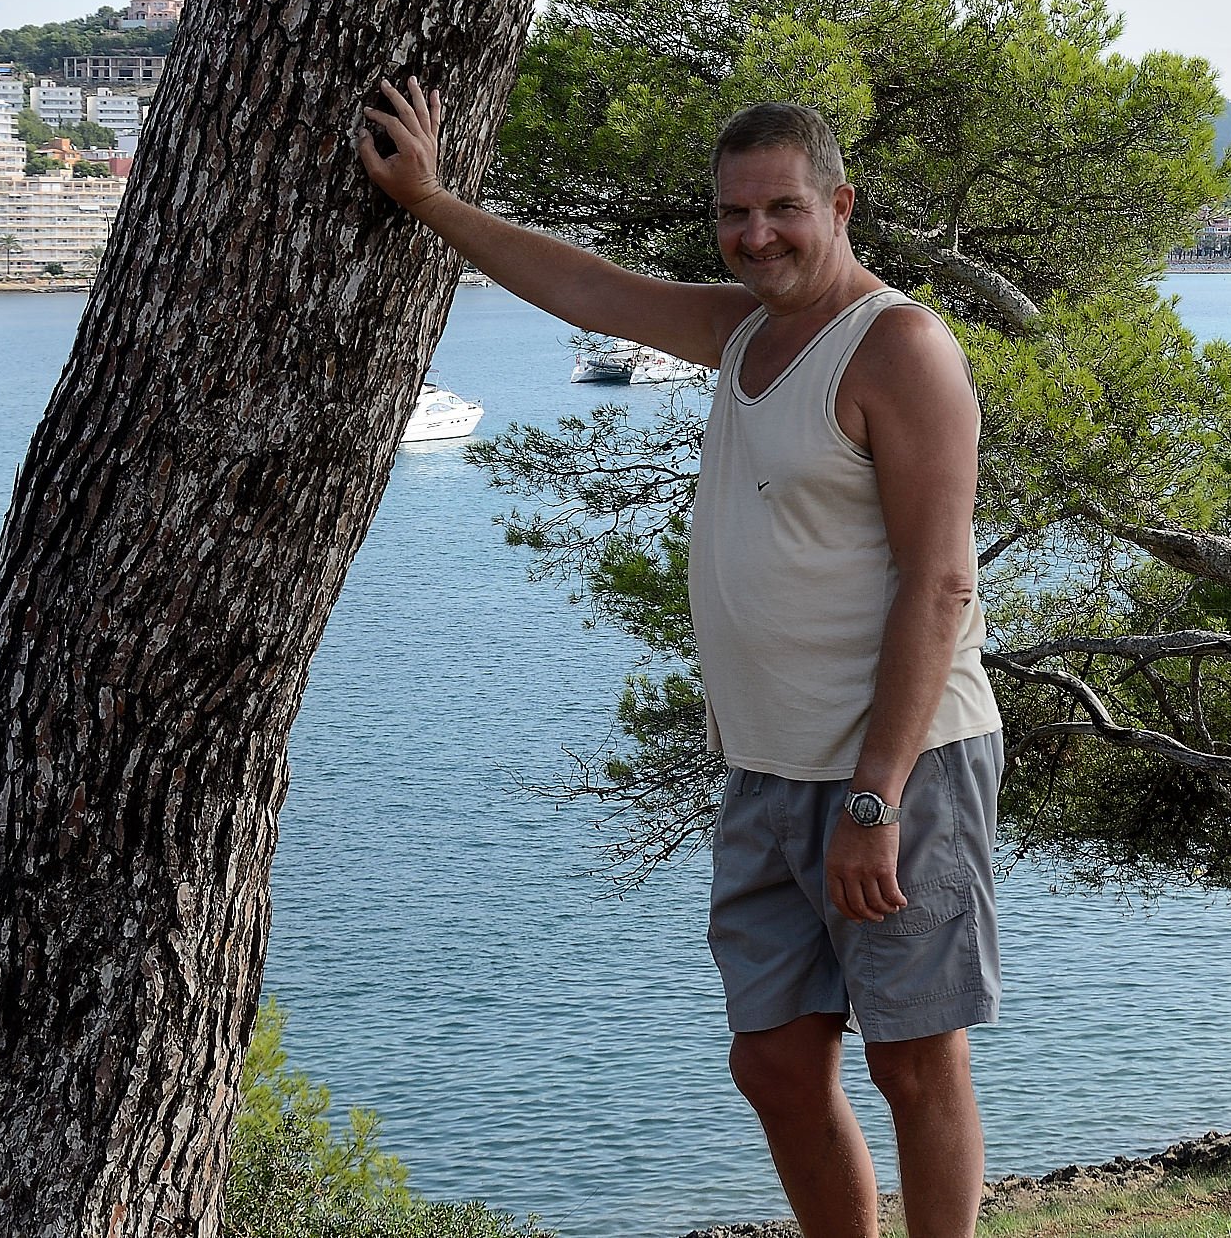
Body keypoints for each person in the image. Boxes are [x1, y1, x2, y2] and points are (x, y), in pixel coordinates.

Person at [359, 80, 1004, 1238]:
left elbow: (941, 581)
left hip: (900, 764)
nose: (756, 234)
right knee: (773, 1058)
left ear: (840, 203)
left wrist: (875, 795)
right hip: (766, 762)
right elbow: (589, 287)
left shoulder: (897, 345)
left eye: (783, 207)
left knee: (914, 1057)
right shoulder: (743, 328)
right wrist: (432, 200)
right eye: (734, 212)